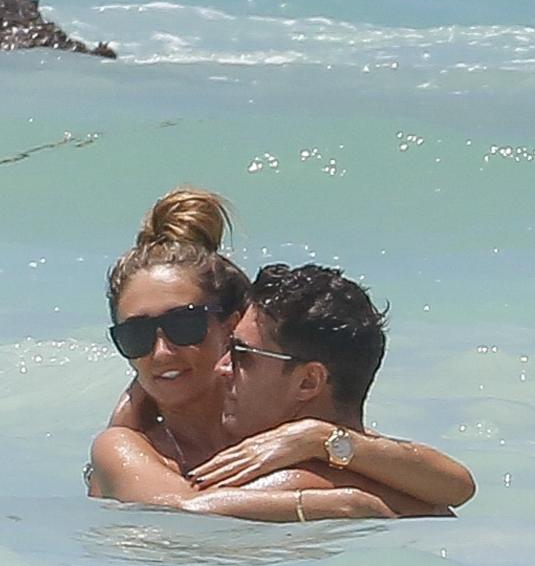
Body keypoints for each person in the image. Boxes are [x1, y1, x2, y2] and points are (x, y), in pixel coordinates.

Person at [88, 187, 474, 521]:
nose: (160, 352)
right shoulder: (128, 445)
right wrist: (329, 505)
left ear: (231, 326)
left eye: (183, 326)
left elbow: (454, 486)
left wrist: (316, 437)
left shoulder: (269, 418)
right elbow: (177, 512)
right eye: (134, 336)